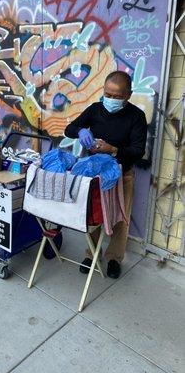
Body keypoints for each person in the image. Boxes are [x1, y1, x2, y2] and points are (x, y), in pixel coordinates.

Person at [64, 71, 147, 279]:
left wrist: (113, 149)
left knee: (120, 219)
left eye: (117, 96)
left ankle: (113, 258)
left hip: (122, 175)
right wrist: (81, 131)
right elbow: (69, 129)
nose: (111, 100)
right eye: (107, 94)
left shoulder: (136, 116)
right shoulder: (95, 109)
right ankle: (91, 253)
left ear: (128, 95)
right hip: (94, 176)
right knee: (93, 216)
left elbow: (138, 150)